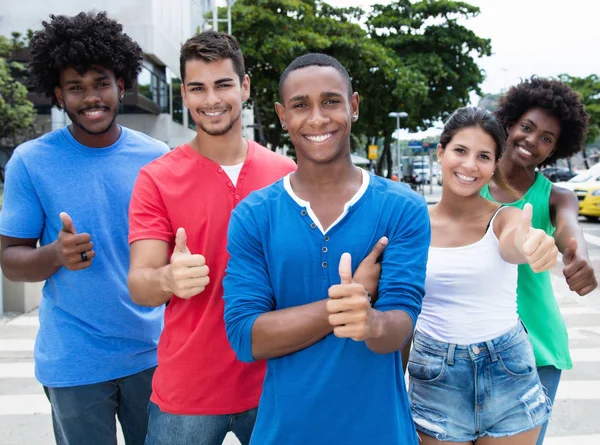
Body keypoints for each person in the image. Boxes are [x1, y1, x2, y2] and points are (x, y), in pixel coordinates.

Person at [223, 53, 430, 445]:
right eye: (301, 105)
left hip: (380, 431)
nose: (317, 118)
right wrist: (343, 306)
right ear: (283, 116)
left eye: (331, 101)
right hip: (284, 432)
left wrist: (372, 323)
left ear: (353, 106)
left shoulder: (403, 207)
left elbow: (399, 327)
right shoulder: (253, 215)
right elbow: (246, 338)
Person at [0, 11, 169, 445]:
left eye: (101, 83)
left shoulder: (158, 158)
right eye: (76, 87)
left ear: (122, 86)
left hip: (152, 354)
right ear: (58, 95)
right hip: (73, 361)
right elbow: (11, 262)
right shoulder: (31, 161)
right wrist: (54, 255)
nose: (90, 97)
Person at [126, 31, 296, 445]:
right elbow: (140, 284)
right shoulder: (156, 178)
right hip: (188, 392)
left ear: (245, 86)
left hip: (274, 384)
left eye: (223, 84)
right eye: (198, 88)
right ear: (184, 94)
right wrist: (167, 279)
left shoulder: (287, 174)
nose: (211, 99)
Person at [409, 106, 557, 444]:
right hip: (435, 375)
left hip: (508, 369)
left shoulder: (506, 217)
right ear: (441, 152)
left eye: (484, 156)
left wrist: (532, 244)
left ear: (494, 165)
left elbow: (513, 244)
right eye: (460, 151)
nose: (470, 165)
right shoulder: (413, 224)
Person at [481, 77, 598, 444]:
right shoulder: (471, 179)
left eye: (546, 138)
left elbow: (570, 233)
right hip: (470, 340)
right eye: (527, 128)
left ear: (556, 150)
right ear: (510, 124)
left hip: (536, 347)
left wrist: (579, 256)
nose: (532, 140)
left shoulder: (558, 197)